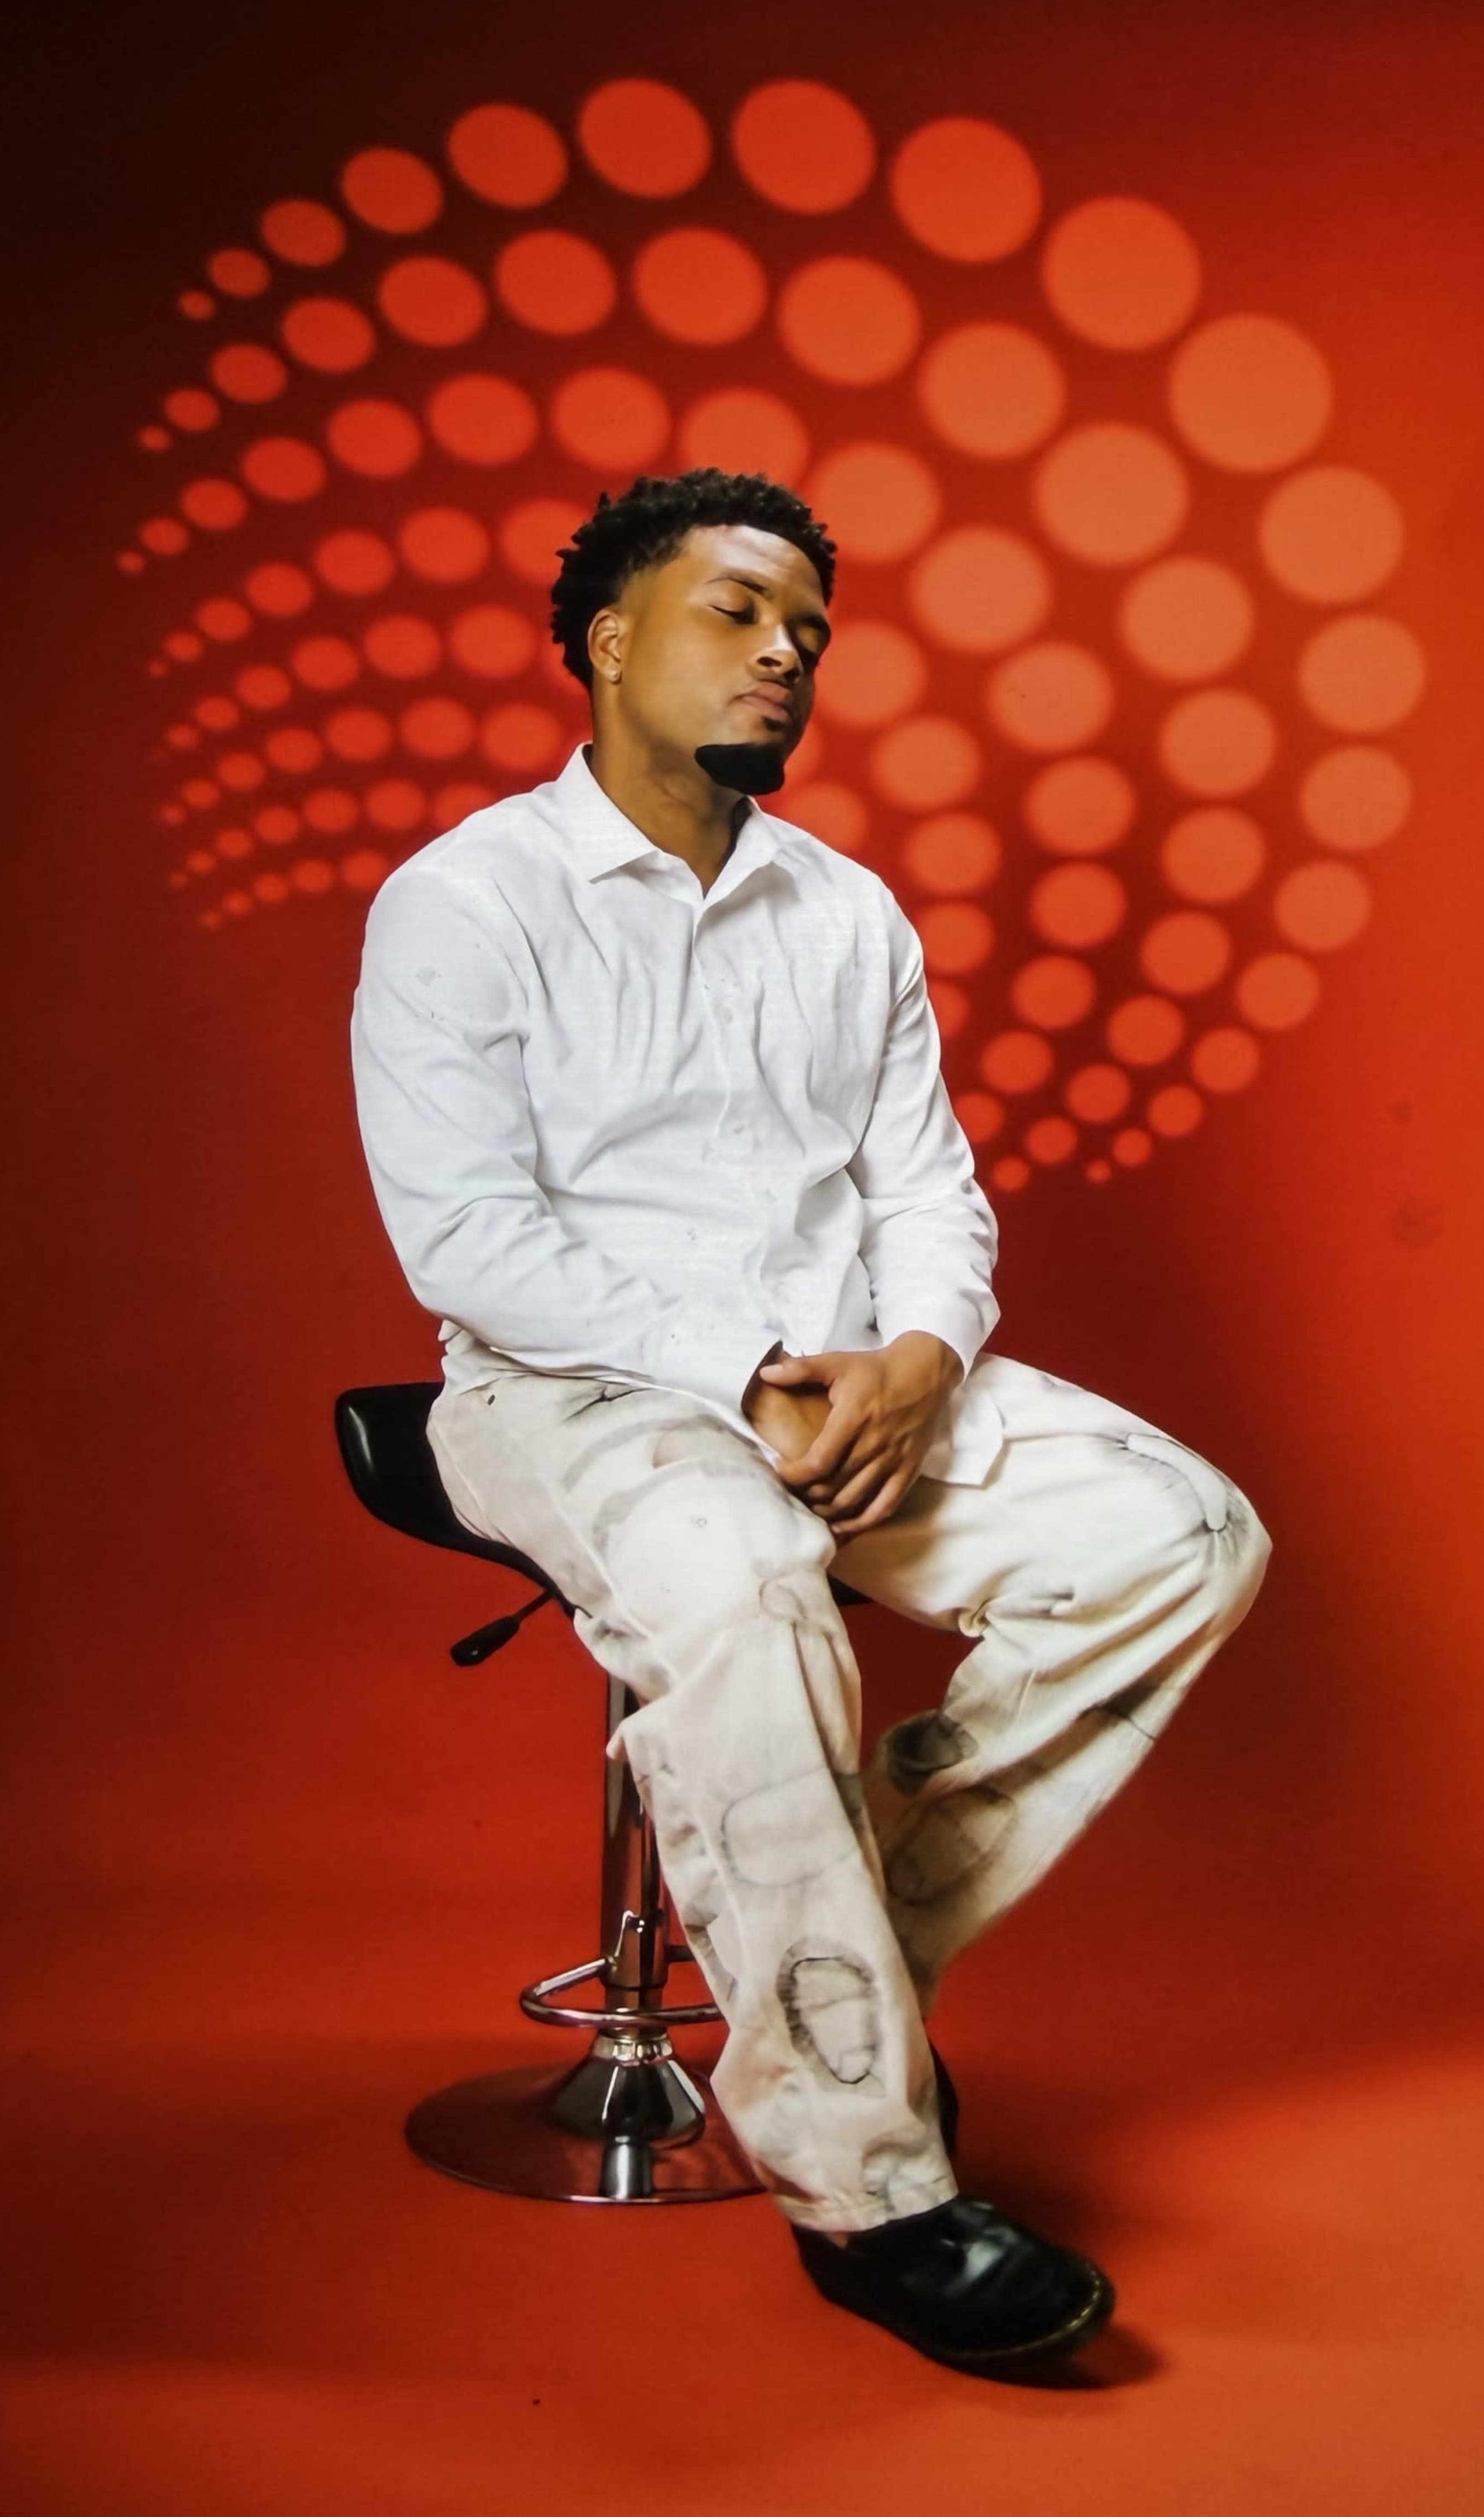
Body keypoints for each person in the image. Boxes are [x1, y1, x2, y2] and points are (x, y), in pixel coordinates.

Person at [350, 467, 1270, 2377]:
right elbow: (471, 1236)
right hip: (564, 1388)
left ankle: (847, 1965)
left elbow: (927, 1183)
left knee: (1190, 1538)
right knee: (755, 1572)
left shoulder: (841, 912)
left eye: (808, 635)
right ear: (608, 635)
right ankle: (869, 2184)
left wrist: (922, 1354)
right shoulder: (466, 900)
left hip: (850, 1386)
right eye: (738, 612)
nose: (785, 656)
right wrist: (748, 1365)